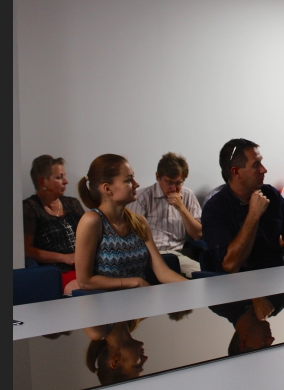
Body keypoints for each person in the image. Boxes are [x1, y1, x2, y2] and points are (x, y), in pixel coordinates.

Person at [201, 139, 284, 298]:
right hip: (238, 294)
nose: (264, 170)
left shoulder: (270, 194)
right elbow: (230, 264)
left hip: (277, 285)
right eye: (256, 165)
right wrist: (253, 215)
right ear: (236, 172)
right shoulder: (215, 208)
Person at [75, 154, 187, 291]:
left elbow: (162, 272)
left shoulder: (139, 222)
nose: (136, 184)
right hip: (105, 301)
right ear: (107, 188)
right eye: (128, 180)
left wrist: (192, 287)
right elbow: (85, 281)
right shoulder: (92, 221)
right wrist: (135, 282)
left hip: (139, 298)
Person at [128, 152, 202, 278]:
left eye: (178, 183)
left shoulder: (188, 195)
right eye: (169, 182)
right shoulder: (142, 197)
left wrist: (181, 208)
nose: (173, 188)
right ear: (158, 176)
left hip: (177, 255)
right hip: (149, 256)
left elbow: (198, 235)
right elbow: (133, 237)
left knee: (204, 276)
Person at [22, 155, 85, 294]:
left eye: (64, 176)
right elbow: (26, 249)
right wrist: (65, 258)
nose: (66, 181)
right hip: (55, 272)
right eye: (59, 177)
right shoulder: (30, 208)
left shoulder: (72, 203)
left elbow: (89, 235)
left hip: (84, 267)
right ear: (42, 181)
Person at [209, 292, 284, 356]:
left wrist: (255, 295)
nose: (271, 339)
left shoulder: (218, 304)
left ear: (243, 343)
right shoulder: (276, 304)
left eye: (264, 346)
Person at [84, 319, 147, 386]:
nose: (145, 358)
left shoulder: (96, 331)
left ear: (115, 362)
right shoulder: (134, 320)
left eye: (138, 366)